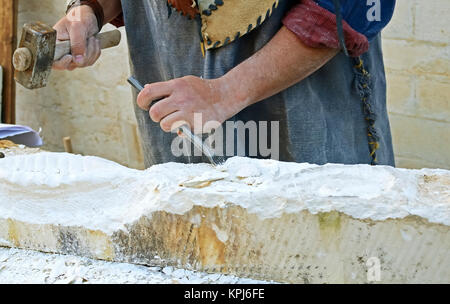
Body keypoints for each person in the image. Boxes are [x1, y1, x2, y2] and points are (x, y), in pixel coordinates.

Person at [54, 0, 396, 167]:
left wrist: (225, 92)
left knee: (310, 242)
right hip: (177, 80)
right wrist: (89, 10)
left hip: (302, 89)